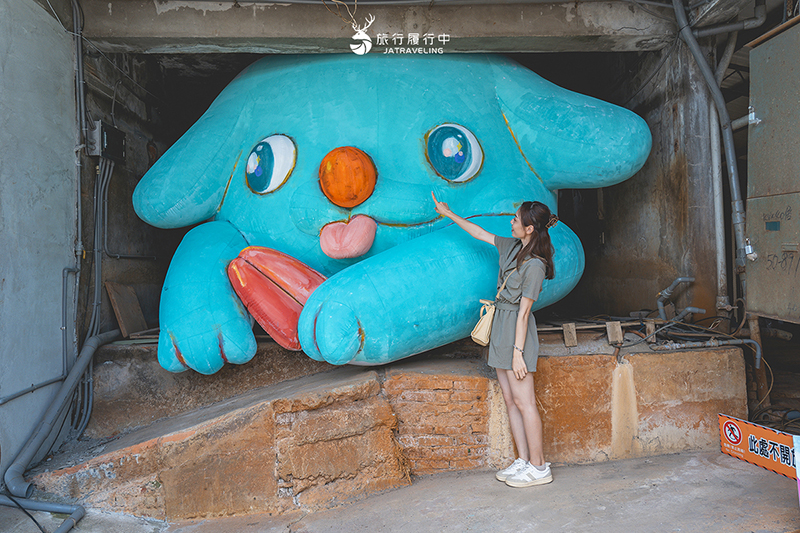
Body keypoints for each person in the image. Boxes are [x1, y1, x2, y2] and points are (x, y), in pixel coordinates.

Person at [432, 192, 557, 488]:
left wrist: (518, 353)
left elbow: (525, 314)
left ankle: (540, 467)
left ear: (529, 228)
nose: (511, 222)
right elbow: (479, 233)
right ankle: (524, 460)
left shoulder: (536, 266)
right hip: (500, 324)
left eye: (516, 219)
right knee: (511, 400)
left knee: (525, 403)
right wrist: (448, 214)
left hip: (517, 331)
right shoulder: (512, 247)